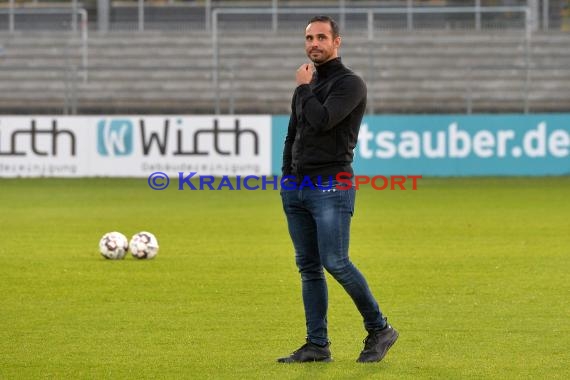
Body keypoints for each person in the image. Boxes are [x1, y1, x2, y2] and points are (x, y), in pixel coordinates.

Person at [277, 15, 398, 364]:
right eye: (309, 38)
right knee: (309, 267)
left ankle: (379, 329)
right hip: (297, 187)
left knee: (336, 261)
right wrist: (287, 177)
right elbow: (294, 134)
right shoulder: (308, 85)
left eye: (321, 38)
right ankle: (317, 345)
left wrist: (302, 89)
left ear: (337, 42)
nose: (314, 44)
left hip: (332, 185)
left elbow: (324, 120)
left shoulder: (350, 84)